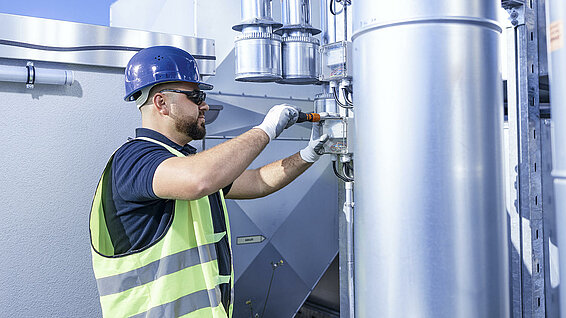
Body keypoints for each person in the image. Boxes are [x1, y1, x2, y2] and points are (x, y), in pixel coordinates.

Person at [89, 46, 328, 318]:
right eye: (195, 96)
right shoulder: (134, 160)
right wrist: (265, 130)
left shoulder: (180, 161)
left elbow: (258, 182)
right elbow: (199, 179)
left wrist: (308, 155)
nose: (204, 104)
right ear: (160, 103)